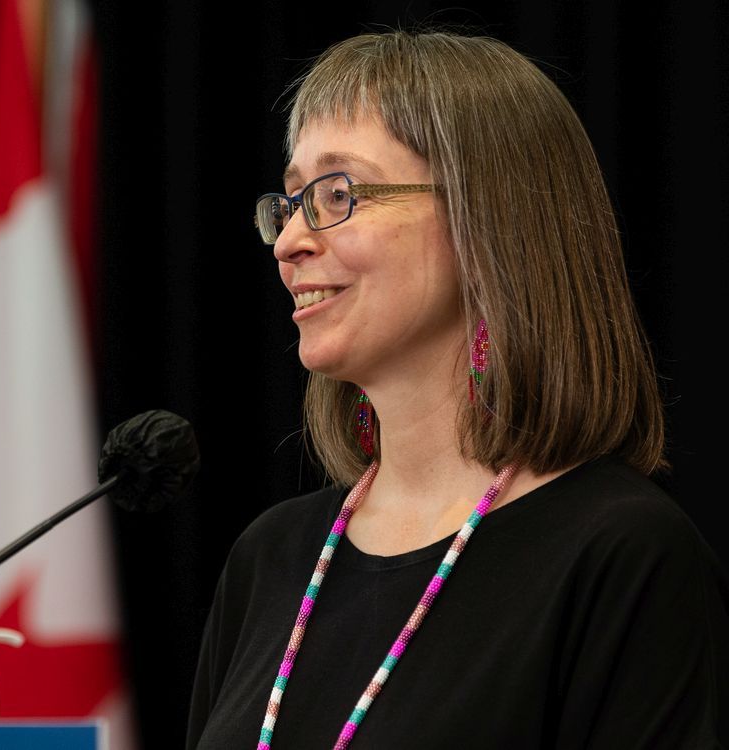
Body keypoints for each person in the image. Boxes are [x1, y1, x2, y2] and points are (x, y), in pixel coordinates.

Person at [186, 29, 729, 749]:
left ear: (486, 222)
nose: (288, 243)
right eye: (289, 204)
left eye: (338, 194)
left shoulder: (623, 555)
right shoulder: (271, 557)